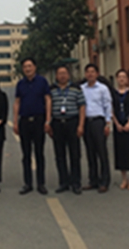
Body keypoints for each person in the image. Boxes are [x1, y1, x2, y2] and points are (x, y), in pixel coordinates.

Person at [13, 57, 52, 195]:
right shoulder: (20, 84)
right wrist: (15, 122)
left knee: (39, 153)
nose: (27, 69)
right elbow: (17, 102)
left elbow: (48, 100)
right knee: (26, 154)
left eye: (30, 66)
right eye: (25, 67)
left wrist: (48, 120)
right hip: (24, 121)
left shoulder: (42, 81)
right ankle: (27, 183)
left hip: (39, 120)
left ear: (35, 67)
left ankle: (41, 183)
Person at [49, 65, 86, 195]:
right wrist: (48, 124)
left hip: (72, 122)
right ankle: (63, 182)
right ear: (56, 76)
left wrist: (81, 125)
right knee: (60, 155)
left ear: (68, 75)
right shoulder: (51, 89)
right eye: (60, 73)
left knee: (75, 154)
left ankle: (76, 183)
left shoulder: (76, 89)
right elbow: (48, 107)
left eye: (64, 73)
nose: (62, 76)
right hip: (57, 123)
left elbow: (82, 107)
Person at [80, 63, 112, 193]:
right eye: (88, 72)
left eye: (92, 71)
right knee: (90, 152)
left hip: (98, 121)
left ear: (97, 74)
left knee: (101, 152)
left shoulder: (103, 88)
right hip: (86, 122)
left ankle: (104, 181)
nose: (90, 74)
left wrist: (108, 123)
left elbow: (107, 105)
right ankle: (93, 180)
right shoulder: (82, 88)